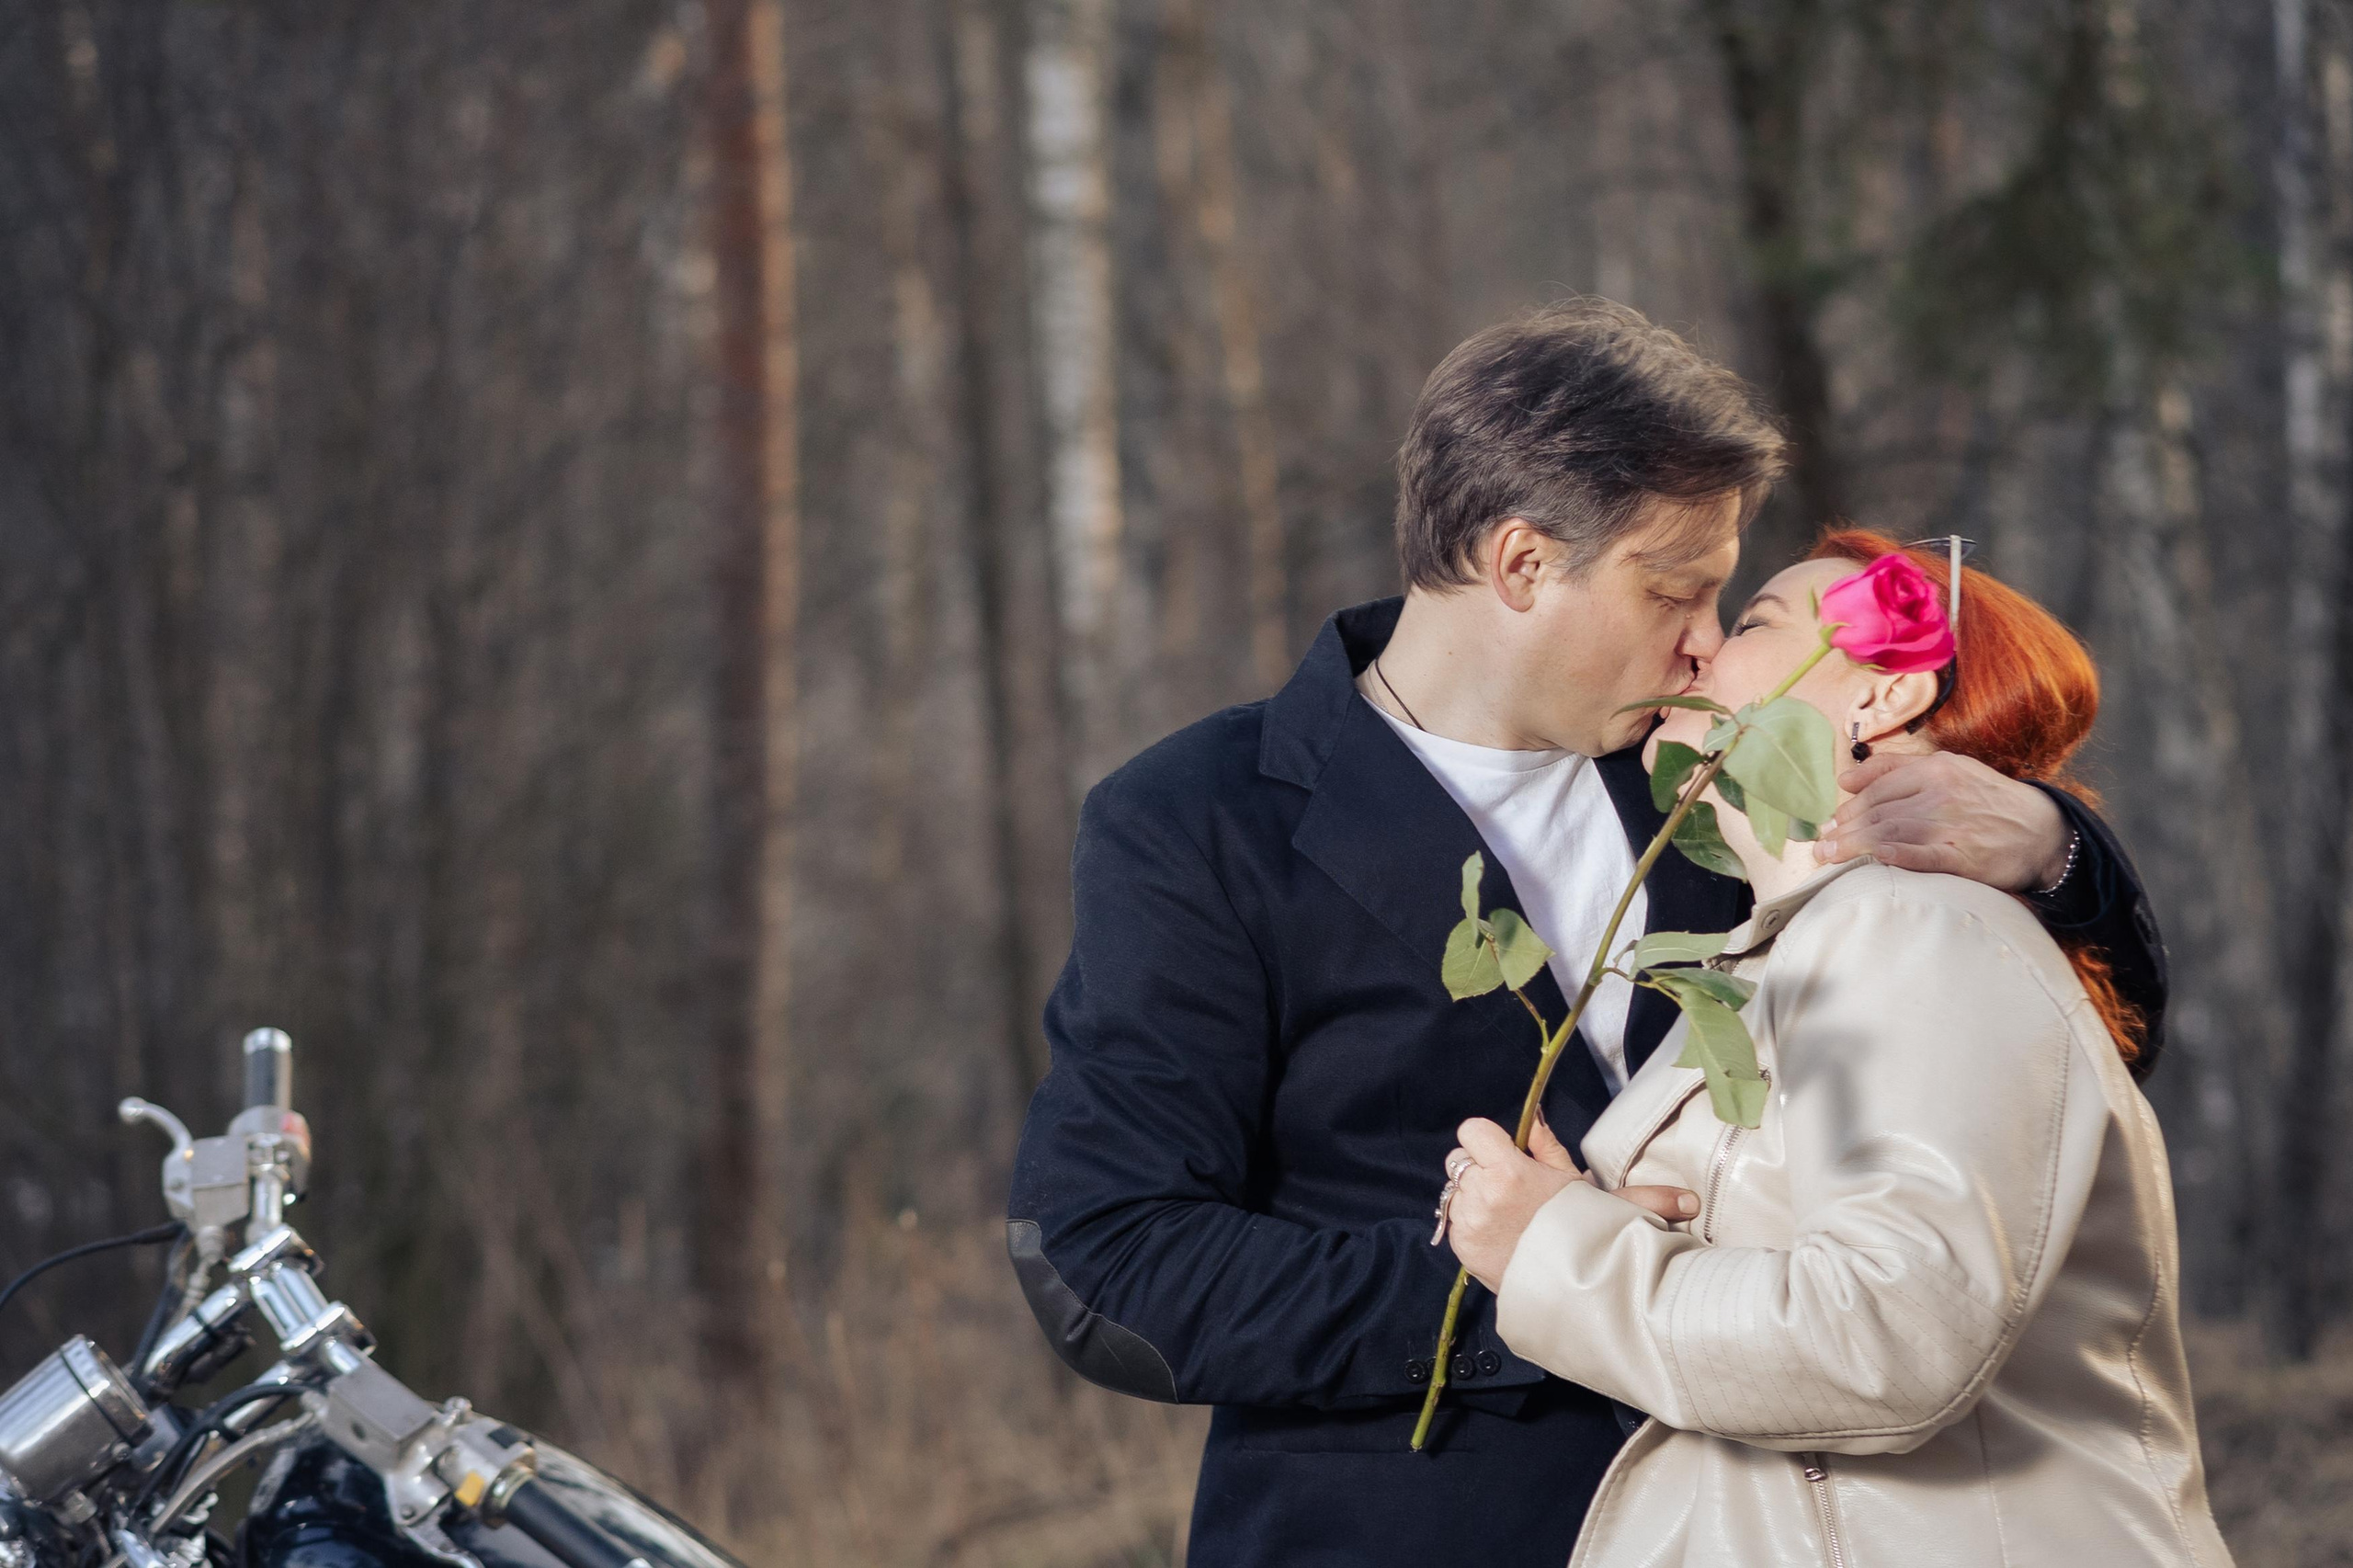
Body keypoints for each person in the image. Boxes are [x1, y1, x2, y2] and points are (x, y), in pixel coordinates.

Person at [1006, 301, 2169, 1568]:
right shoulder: (1197, 819)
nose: (1709, 641)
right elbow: (1106, 1258)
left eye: (1727, 597)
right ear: (1520, 565)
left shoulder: (1717, 774)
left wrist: (2058, 854)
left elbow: (2027, 1099)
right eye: (1675, 589)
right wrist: (1519, 1286)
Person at [1441, 530, 2228, 1567]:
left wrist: (1556, 1250)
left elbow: (1890, 1334)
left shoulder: (1917, 925)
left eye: (1753, 620)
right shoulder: (1779, 949)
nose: (1699, 649)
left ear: (1883, 696)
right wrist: (1576, 1217)